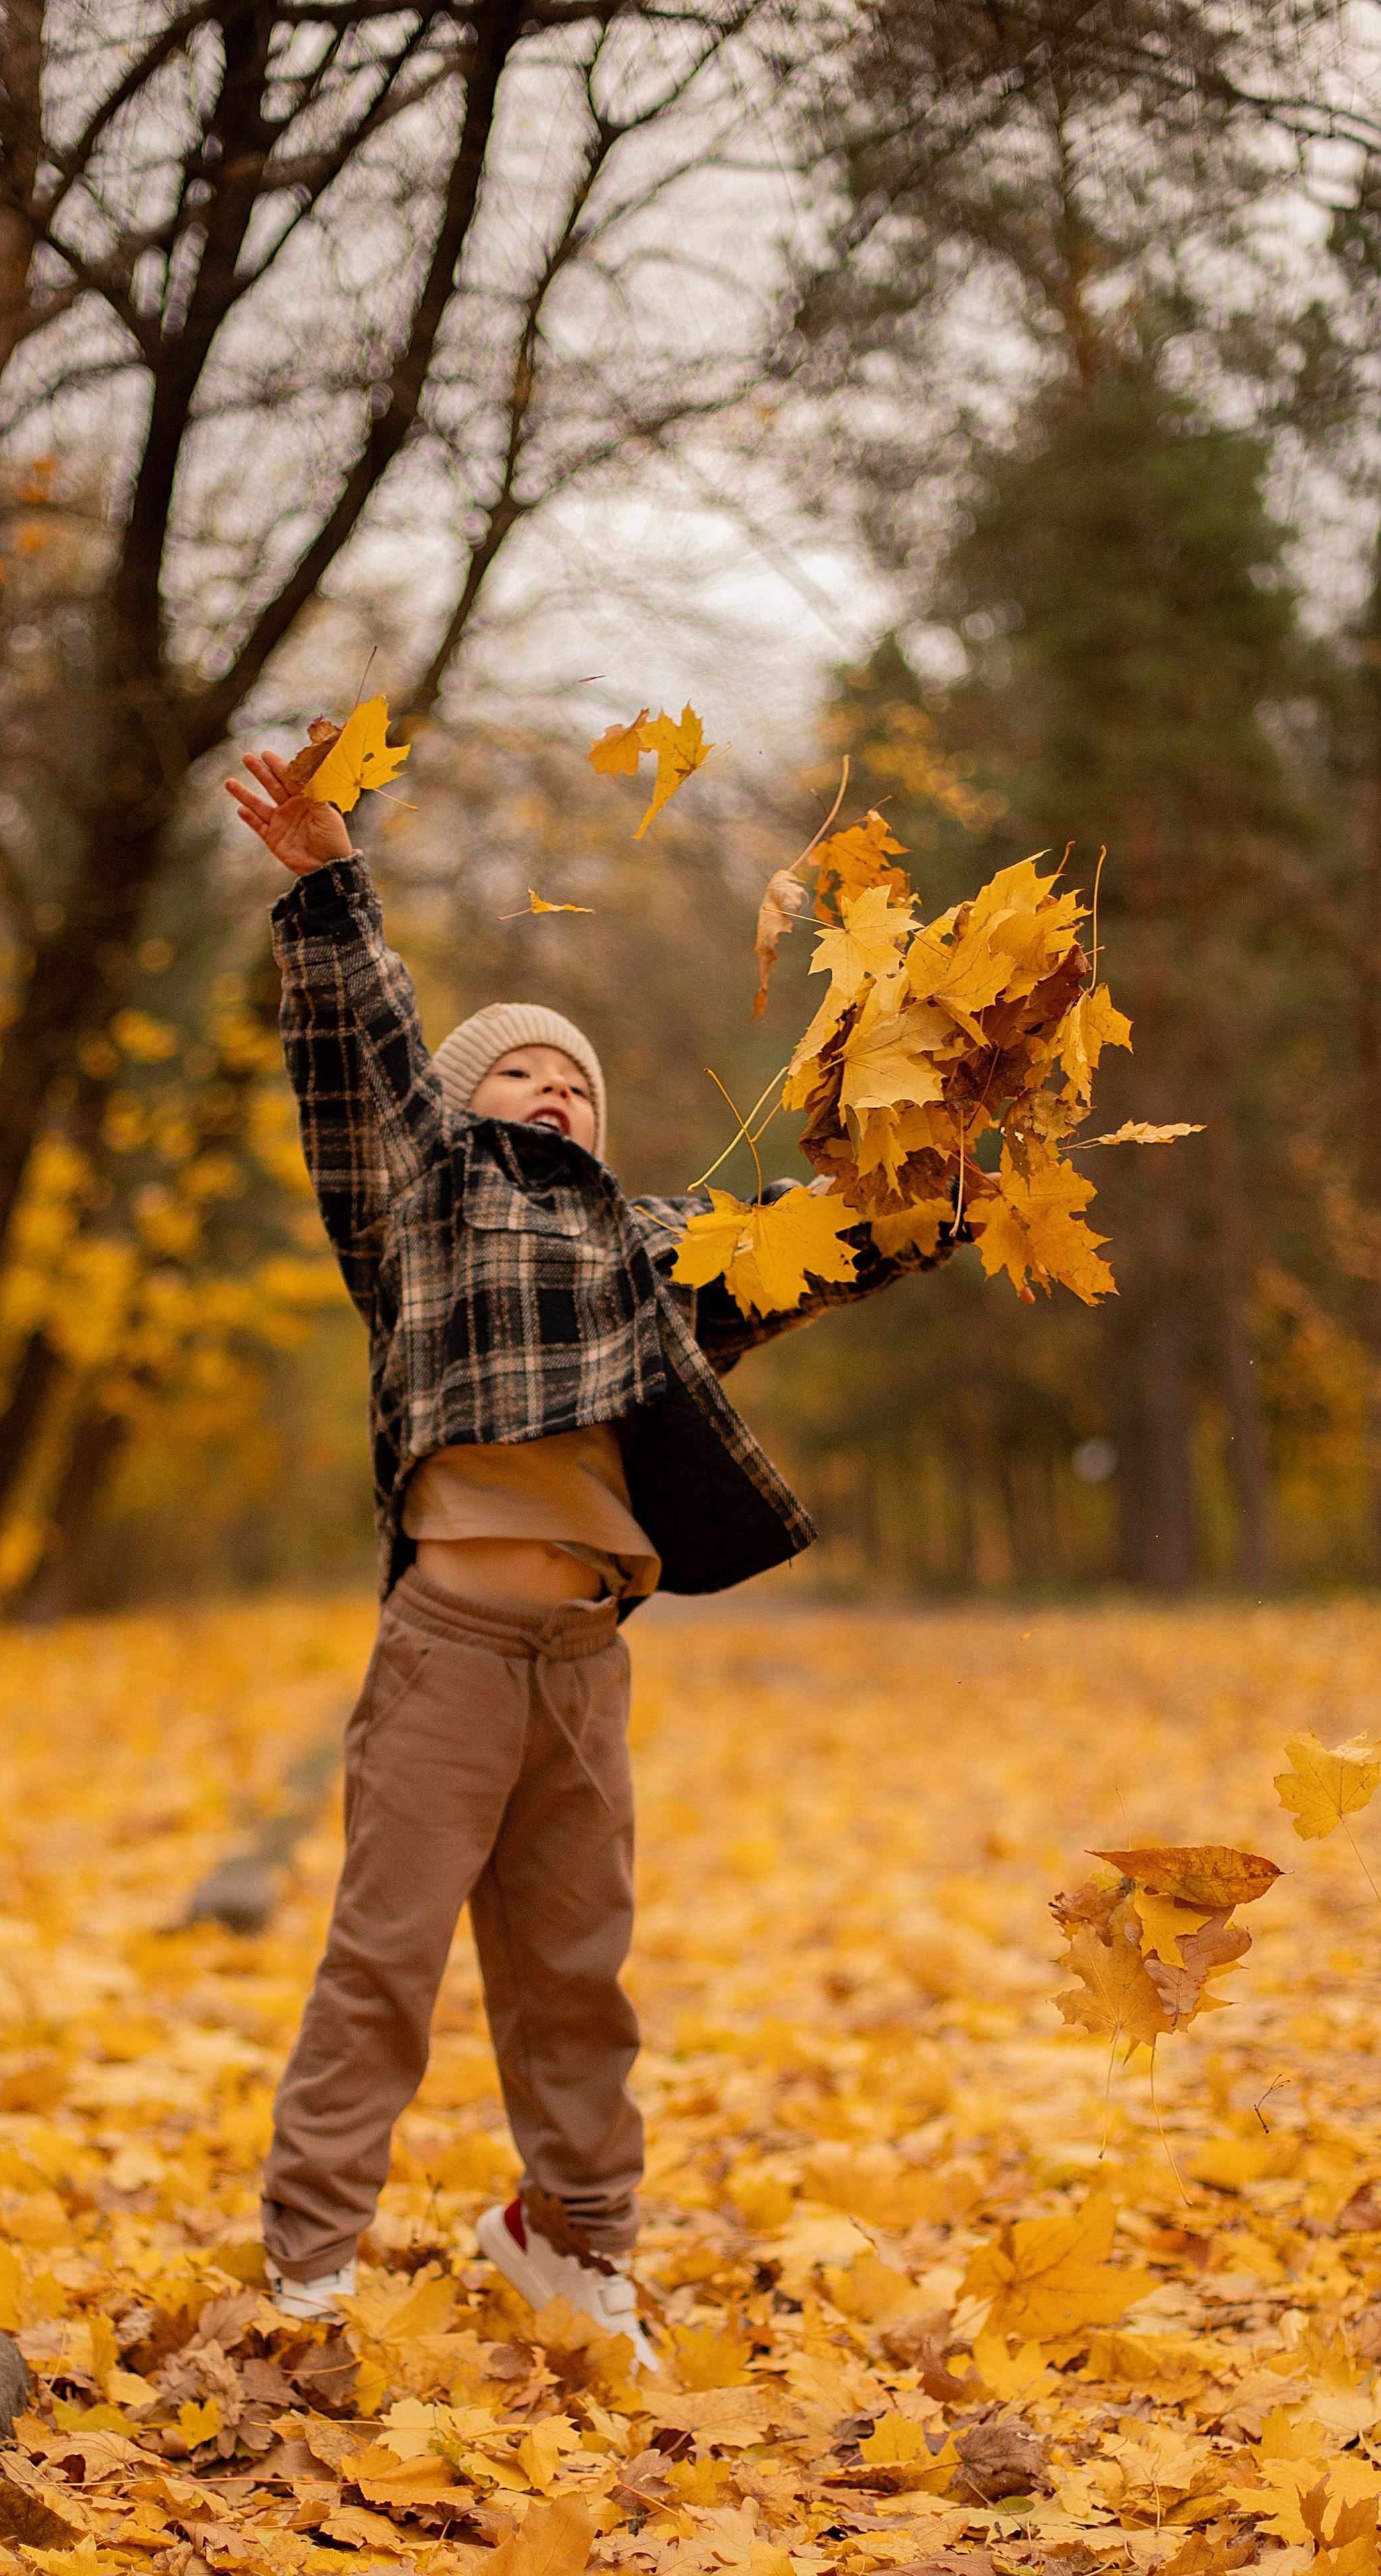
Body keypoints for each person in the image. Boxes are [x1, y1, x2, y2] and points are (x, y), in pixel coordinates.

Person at [224, 747, 951, 2368]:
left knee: (576, 1979)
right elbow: (361, 1059)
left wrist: (948, 1178)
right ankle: (307, 2272)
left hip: (582, 1665)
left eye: (576, 1083)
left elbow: (808, 1250)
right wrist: (329, 886)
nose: (553, 1092)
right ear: (459, 1110)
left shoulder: (649, 1251)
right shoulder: (423, 1196)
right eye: (518, 1076)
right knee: (384, 1965)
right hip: (448, 1651)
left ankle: (573, 2242)